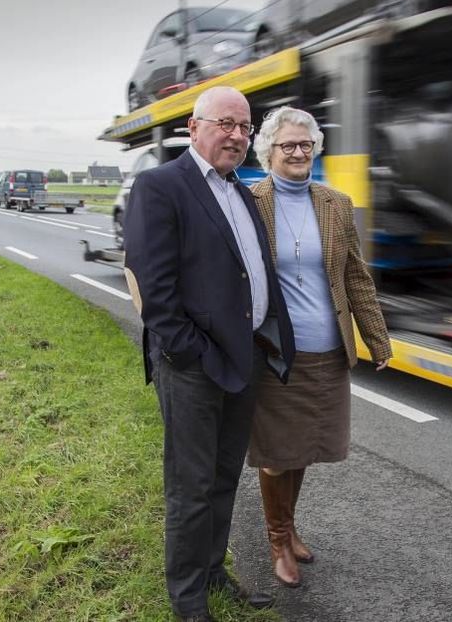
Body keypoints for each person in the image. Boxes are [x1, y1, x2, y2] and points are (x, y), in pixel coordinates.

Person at [123, 86, 296, 622]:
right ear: (193, 128)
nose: (238, 136)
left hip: (241, 359)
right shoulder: (160, 187)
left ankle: (213, 571)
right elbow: (155, 287)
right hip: (194, 367)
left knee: (224, 478)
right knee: (191, 485)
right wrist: (188, 352)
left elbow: (248, 273)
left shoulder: (238, 190)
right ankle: (188, 598)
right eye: (226, 124)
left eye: (244, 128)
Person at [247, 106, 392, 588]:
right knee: (275, 452)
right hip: (274, 352)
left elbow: (355, 275)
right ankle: (276, 541)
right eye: (288, 145)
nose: (297, 152)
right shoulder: (250, 202)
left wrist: (377, 339)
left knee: (304, 448)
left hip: (326, 349)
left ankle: (290, 530)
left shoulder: (335, 203)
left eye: (305, 144)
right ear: (269, 150)